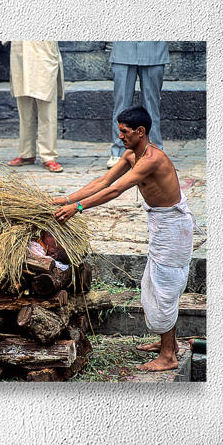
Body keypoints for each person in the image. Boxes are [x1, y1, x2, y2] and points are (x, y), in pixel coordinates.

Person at [53, 105, 199, 372]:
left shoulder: (152, 159)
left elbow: (116, 190)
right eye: (119, 131)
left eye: (124, 132)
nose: (120, 136)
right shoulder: (131, 154)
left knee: (164, 288)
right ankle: (169, 344)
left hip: (174, 228)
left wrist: (78, 208)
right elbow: (103, 182)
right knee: (154, 284)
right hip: (160, 226)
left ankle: (168, 355)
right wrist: (65, 200)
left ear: (140, 131)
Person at [6, 40, 65, 173]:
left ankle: (48, 156)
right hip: (20, 49)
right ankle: (26, 153)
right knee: (24, 108)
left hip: (43, 50)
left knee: (47, 107)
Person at [107, 41, 168, 167]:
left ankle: (154, 151)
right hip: (123, 50)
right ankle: (118, 152)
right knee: (121, 106)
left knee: (152, 107)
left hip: (154, 50)